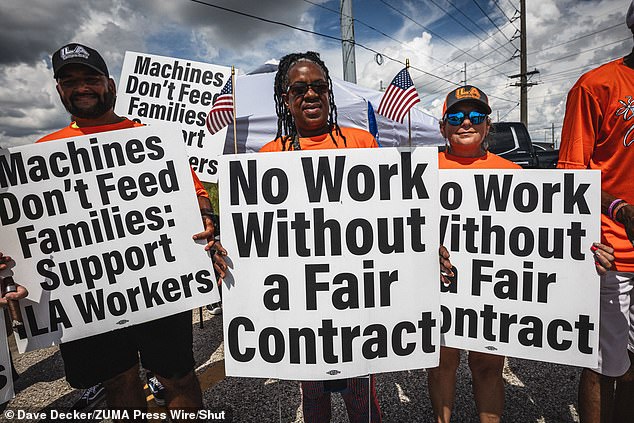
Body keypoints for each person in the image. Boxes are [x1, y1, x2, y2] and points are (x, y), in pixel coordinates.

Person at [1, 42, 227, 419]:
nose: (81, 87)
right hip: (88, 296)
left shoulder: (152, 140)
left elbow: (196, 196)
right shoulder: (40, 154)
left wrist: (206, 219)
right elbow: (24, 235)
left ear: (110, 84)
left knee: (178, 376)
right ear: (59, 90)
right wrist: (11, 269)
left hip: (159, 284)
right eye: (69, 81)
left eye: (90, 78)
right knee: (118, 380)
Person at [259, 51, 381, 423]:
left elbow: (388, 214)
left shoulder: (361, 143)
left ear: (329, 94)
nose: (310, 95)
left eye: (319, 87)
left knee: (361, 391)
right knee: (312, 393)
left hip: (356, 288)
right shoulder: (269, 155)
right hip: (302, 295)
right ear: (285, 98)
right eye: (299, 89)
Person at [558, 4, 634, 422]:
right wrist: (620, 210)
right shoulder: (596, 86)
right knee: (603, 363)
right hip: (612, 253)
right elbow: (571, 177)